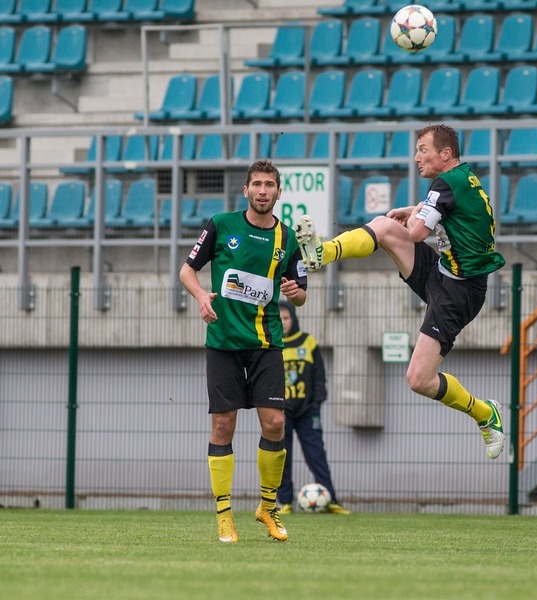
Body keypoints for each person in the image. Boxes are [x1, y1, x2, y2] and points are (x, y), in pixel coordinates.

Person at [294, 124, 506, 459]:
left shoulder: (446, 183)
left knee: (419, 379)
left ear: (445, 153)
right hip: (444, 274)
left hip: (459, 293)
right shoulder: (460, 179)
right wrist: (415, 209)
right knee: (384, 226)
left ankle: (484, 412)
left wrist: (416, 214)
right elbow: (450, 210)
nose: (417, 157)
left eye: (423, 150)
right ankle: (322, 252)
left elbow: (418, 233)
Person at [180, 159, 307, 543]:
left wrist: (295, 293)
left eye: (269, 185)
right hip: (223, 342)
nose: (263, 190)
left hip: (266, 343)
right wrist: (202, 296)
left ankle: (268, 507)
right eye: (257, 184)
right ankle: (224, 516)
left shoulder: (288, 238)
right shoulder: (222, 225)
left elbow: (300, 294)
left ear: (279, 192)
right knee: (223, 425)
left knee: (275, 423)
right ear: (246, 190)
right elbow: (187, 270)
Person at [276, 300, 350, 515]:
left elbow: (319, 377)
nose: (283, 321)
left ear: (293, 318)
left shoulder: (307, 342)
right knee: (282, 456)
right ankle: (285, 502)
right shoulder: (272, 344)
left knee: (316, 454)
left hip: (307, 411)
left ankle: (331, 499)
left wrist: (316, 404)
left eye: (286, 317)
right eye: (279, 318)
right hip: (281, 412)